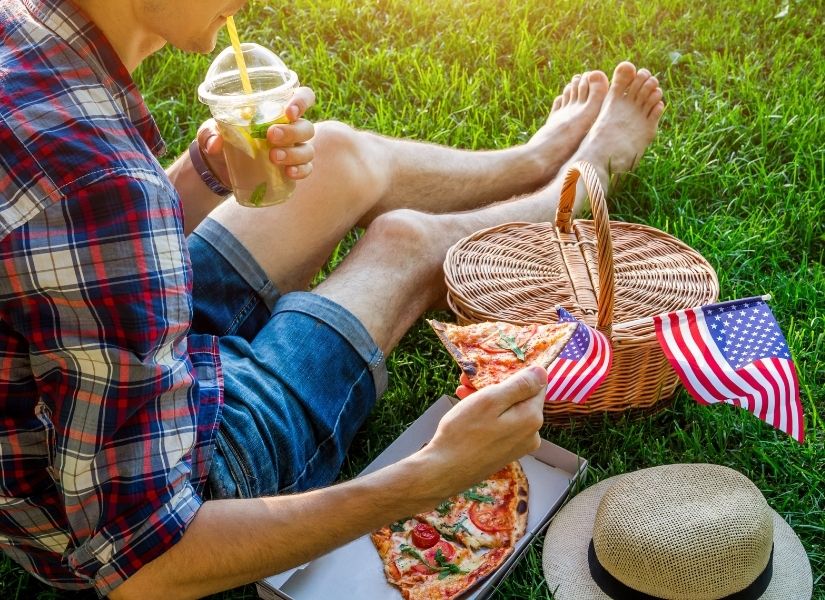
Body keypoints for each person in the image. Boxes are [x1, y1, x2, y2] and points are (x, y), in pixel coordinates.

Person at [0, 0, 664, 598]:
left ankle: (533, 159)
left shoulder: (22, 32)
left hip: (100, 357)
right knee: (404, 243)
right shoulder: (100, 186)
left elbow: (68, 259)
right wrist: (430, 474)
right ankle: (580, 182)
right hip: (155, 485)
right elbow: (144, 564)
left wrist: (207, 175)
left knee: (334, 154)